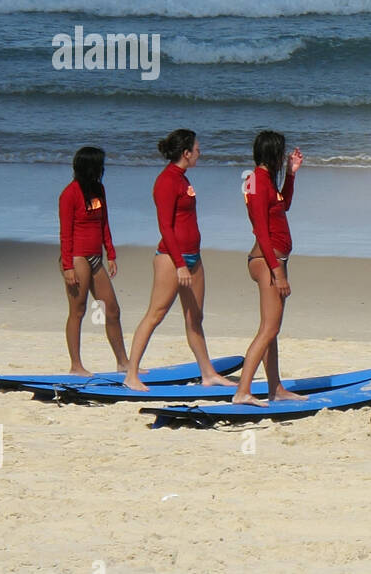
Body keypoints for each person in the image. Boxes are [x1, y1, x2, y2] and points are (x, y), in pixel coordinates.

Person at [124, 129, 235, 393]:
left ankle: (208, 373)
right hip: (171, 260)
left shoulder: (183, 179)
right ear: (186, 153)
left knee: (195, 317)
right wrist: (179, 264)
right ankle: (130, 374)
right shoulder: (166, 181)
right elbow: (165, 226)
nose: (200, 152)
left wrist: (190, 261)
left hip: (193, 258)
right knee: (156, 314)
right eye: (197, 148)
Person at [231, 131, 304, 406]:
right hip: (267, 262)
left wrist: (291, 174)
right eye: (282, 154)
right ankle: (243, 391)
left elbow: (284, 204)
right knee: (268, 330)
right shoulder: (257, 181)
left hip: (270, 260)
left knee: (270, 329)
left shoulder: (264, 180)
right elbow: (261, 228)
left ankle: (276, 388)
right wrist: (278, 271)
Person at [58, 146, 129, 375]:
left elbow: (104, 223)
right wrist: (68, 266)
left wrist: (111, 253)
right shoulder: (69, 194)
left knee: (112, 310)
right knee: (78, 311)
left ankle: (123, 363)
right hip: (77, 258)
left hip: (96, 258)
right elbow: (65, 233)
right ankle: (76, 366)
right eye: (99, 165)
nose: (103, 169)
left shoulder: (99, 190)